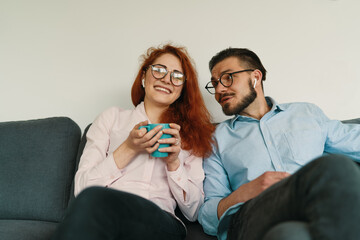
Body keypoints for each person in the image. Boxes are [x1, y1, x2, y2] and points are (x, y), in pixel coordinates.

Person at [52, 44, 215, 240]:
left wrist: (174, 163)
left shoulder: (190, 135)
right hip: (104, 213)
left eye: (177, 76)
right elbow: (82, 190)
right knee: (91, 203)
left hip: (161, 222)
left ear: (182, 89)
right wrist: (128, 148)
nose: (166, 79)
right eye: (159, 70)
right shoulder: (111, 118)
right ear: (144, 77)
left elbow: (194, 211)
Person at [198, 47, 360, 240]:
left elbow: (353, 140)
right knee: (335, 166)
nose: (218, 90)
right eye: (215, 83)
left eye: (227, 78)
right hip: (252, 216)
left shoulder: (306, 113)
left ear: (255, 77)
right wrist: (243, 193)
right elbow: (207, 216)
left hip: (311, 212)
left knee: (291, 235)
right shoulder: (215, 138)